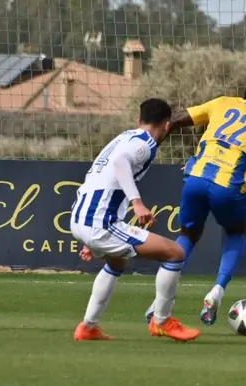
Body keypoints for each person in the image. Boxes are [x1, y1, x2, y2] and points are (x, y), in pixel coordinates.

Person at [143, 80, 246, 326]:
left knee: (188, 234)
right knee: (235, 233)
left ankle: (159, 304)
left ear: (244, 96)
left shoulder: (223, 102)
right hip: (228, 186)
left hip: (196, 177)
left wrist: (151, 145)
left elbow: (176, 119)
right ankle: (216, 292)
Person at [71, 98, 200, 342]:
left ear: (139, 120)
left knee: (117, 262)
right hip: (98, 222)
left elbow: (104, 176)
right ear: (167, 125)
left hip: (82, 216)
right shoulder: (145, 143)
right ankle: (162, 321)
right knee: (175, 253)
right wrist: (137, 203)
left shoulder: (123, 138)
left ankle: (88, 327)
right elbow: (121, 164)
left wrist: (89, 235)